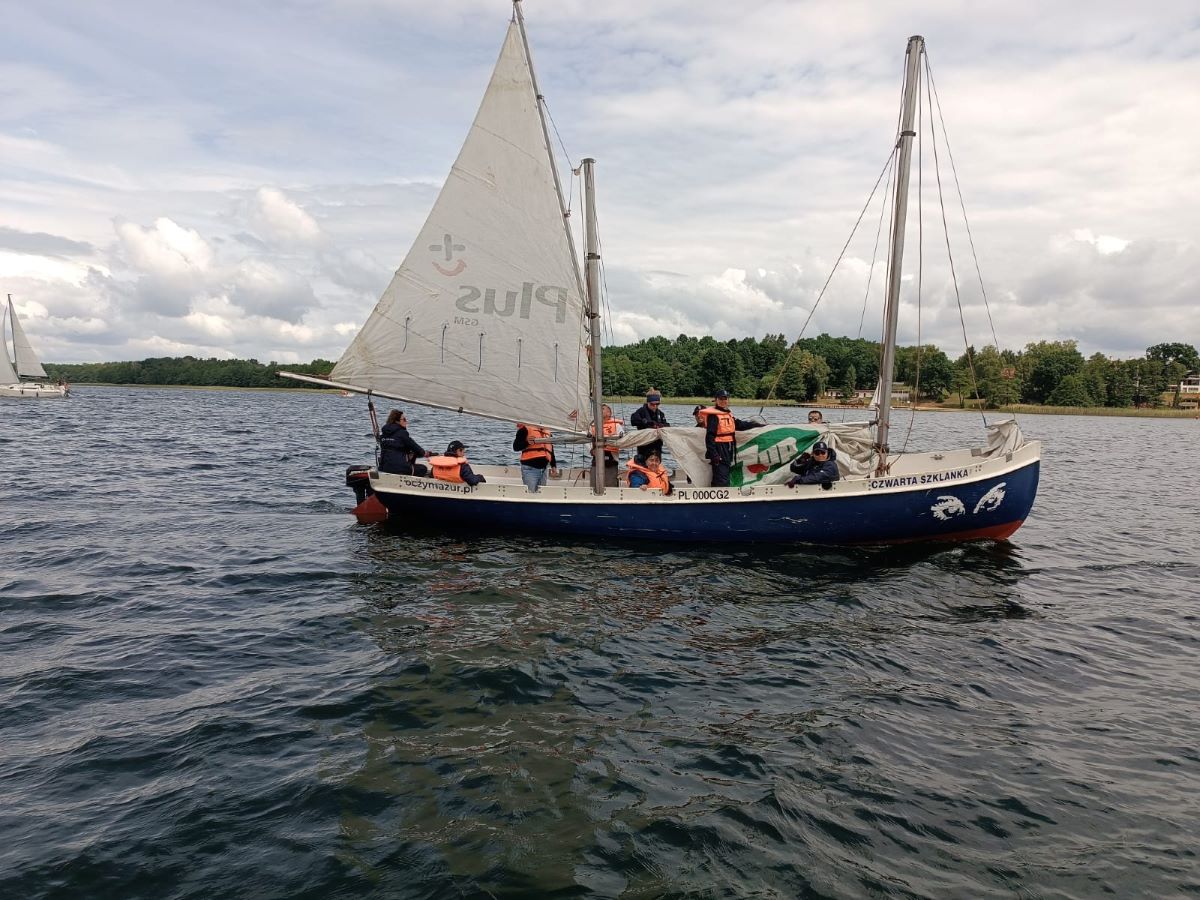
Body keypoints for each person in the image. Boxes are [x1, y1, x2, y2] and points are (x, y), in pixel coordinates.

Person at [699, 389, 759, 487]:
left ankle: (717, 495)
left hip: (728, 447)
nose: (723, 401)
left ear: (728, 400)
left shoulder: (728, 414)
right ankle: (721, 498)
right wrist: (714, 455)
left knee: (724, 473)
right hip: (719, 448)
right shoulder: (714, 416)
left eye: (725, 398)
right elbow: (709, 437)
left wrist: (756, 425)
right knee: (721, 477)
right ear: (716, 400)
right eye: (721, 399)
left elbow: (739, 425)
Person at [378, 409, 430, 475]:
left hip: (384, 468)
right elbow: (415, 447)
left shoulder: (383, 435)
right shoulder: (402, 433)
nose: (406, 421)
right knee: (423, 468)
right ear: (397, 421)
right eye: (404, 419)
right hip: (399, 469)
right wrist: (424, 453)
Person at [514, 422, 558, 493]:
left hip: (543, 470)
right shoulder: (525, 429)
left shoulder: (547, 432)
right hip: (530, 469)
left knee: (541, 495)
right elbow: (515, 447)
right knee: (530, 494)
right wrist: (527, 442)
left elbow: (550, 451)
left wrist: (553, 466)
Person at [590, 403, 625, 487]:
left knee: (611, 483)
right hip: (597, 457)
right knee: (595, 483)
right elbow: (588, 440)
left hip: (611, 458)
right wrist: (591, 450)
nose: (600, 410)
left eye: (602, 409)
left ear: (609, 413)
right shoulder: (593, 426)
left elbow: (622, 439)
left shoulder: (616, 425)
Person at [630, 390, 669, 461]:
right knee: (643, 462)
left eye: (657, 404)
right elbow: (633, 420)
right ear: (648, 402)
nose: (654, 406)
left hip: (657, 445)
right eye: (652, 404)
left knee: (656, 462)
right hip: (644, 444)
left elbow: (667, 425)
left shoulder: (660, 414)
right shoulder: (641, 411)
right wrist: (646, 422)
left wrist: (661, 425)